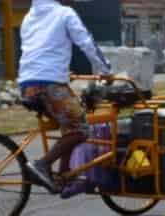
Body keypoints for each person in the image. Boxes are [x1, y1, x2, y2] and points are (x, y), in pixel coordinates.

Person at [17, 0, 112, 194]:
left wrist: (61, 70)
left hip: (27, 83)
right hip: (49, 83)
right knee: (81, 129)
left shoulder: (29, 16)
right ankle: (42, 165)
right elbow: (86, 42)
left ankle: (64, 175)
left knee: (69, 126)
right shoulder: (64, 13)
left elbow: (39, 49)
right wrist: (105, 70)